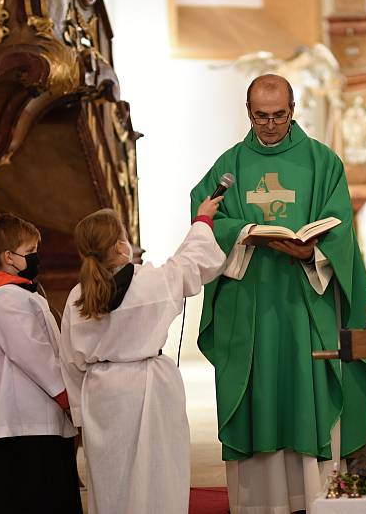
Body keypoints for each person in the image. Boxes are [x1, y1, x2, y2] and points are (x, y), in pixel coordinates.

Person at [190, 74, 366, 513]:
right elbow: (204, 217)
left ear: (293, 109)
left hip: (306, 302)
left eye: (279, 115)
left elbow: (339, 224)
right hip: (252, 307)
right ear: (248, 113)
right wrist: (243, 232)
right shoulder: (231, 164)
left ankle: (315, 498)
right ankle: (263, 503)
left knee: (308, 386)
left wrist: (310, 251)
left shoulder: (322, 161)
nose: (271, 124)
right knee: (259, 393)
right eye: (261, 116)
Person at [58, 200, 225, 514]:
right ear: (121, 245)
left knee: (111, 476)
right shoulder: (150, 282)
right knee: (158, 471)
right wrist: (203, 219)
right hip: (149, 385)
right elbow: (191, 263)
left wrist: (80, 412)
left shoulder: (77, 297)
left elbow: (70, 359)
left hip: (102, 394)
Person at [0, 213, 81, 514]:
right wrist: (65, 394)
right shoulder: (5, 298)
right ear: (8, 256)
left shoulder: (17, 292)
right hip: (26, 419)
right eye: (30, 252)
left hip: (36, 415)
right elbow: (33, 353)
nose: (36, 258)